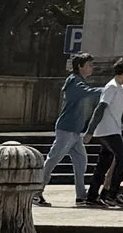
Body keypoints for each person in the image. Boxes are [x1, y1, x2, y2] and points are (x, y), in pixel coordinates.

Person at [34, 56, 103, 207]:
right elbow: (88, 92)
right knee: (53, 160)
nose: (92, 67)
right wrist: (107, 90)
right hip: (66, 129)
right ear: (80, 66)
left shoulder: (79, 80)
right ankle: (35, 193)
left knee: (81, 161)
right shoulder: (74, 80)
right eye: (89, 65)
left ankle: (81, 196)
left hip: (75, 131)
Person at [87, 59, 123, 207]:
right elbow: (100, 108)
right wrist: (90, 131)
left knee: (104, 163)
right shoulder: (111, 87)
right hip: (107, 130)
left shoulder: (120, 88)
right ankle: (112, 194)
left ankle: (93, 196)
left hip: (114, 130)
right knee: (122, 159)